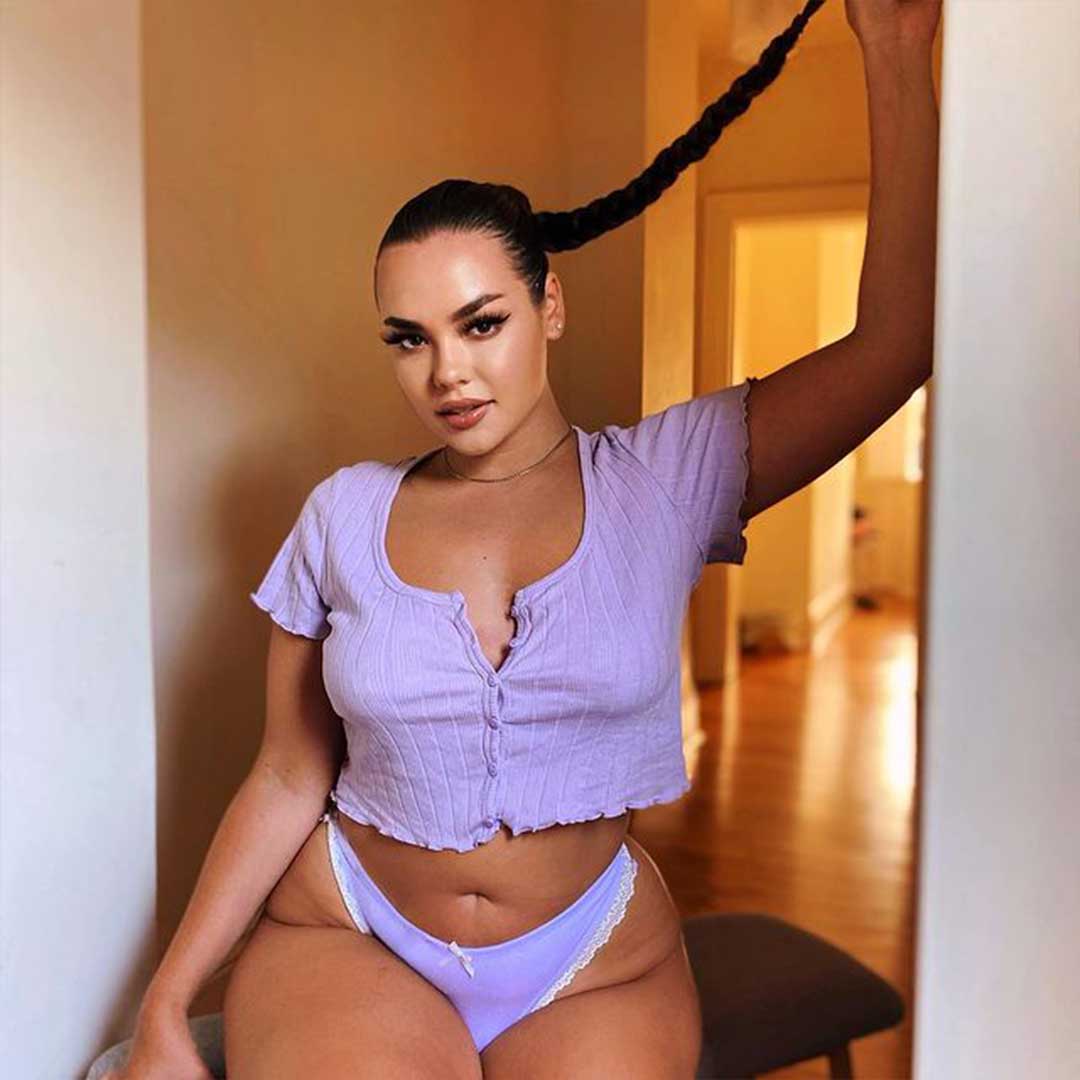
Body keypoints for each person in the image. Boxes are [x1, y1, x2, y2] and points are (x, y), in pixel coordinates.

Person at [109, 0, 941, 1076]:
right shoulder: (343, 515)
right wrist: (167, 1006)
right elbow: (284, 775)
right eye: (408, 339)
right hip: (352, 935)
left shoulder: (668, 479)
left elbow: (896, 345)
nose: (447, 373)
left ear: (550, 304)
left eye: (481, 323)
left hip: (591, 966)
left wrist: (895, 45)